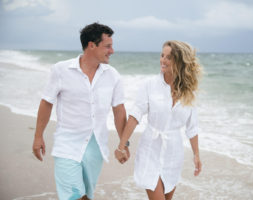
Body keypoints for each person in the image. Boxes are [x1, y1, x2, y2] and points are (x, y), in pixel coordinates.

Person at [32, 22, 129, 200]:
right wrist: (38, 136)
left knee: (87, 195)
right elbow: (47, 102)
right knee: (75, 196)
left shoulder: (113, 75)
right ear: (91, 45)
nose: (112, 51)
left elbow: (119, 112)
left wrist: (124, 144)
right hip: (66, 145)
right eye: (108, 46)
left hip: (96, 148)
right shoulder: (61, 70)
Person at [115, 40, 202, 200]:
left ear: (180, 61)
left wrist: (196, 155)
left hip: (174, 153)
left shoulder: (190, 92)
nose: (163, 60)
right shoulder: (149, 85)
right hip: (150, 150)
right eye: (162, 55)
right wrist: (122, 145)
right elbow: (135, 115)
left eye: (169, 57)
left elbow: (192, 127)